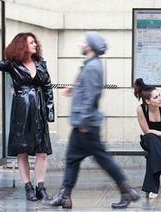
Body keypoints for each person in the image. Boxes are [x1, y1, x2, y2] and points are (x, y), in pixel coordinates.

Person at [49, 32, 140, 209]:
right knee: (74, 159)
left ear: (90, 45)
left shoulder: (92, 67)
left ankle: (126, 191)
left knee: (100, 159)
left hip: (86, 124)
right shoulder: (90, 65)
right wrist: (73, 89)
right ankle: (65, 196)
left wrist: (84, 122)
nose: (81, 43)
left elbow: (92, 96)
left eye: (84, 41)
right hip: (84, 122)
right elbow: (87, 90)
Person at [0, 30, 54, 202]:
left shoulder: (40, 63)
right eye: (31, 42)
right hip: (21, 111)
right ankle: (28, 187)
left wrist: (50, 111)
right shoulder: (12, 64)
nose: (35, 45)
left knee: (42, 152)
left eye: (35, 42)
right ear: (22, 45)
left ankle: (40, 187)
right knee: (22, 151)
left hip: (39, 110)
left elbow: (47, 86)